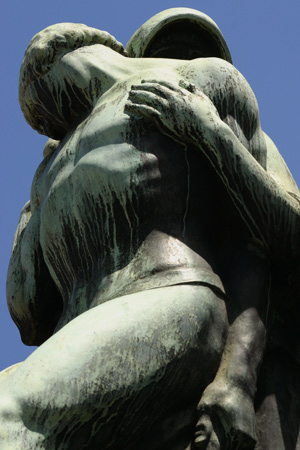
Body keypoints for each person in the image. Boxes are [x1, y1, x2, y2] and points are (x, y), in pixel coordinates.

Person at [2, 8, 300, 449]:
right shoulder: (59, 160)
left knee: (9, 411)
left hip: (172, 299)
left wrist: (236, 377)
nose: (180, 59)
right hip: (83, 333)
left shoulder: (208, 82)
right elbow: (27, 313)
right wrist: (36, 208)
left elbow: (272, 239)